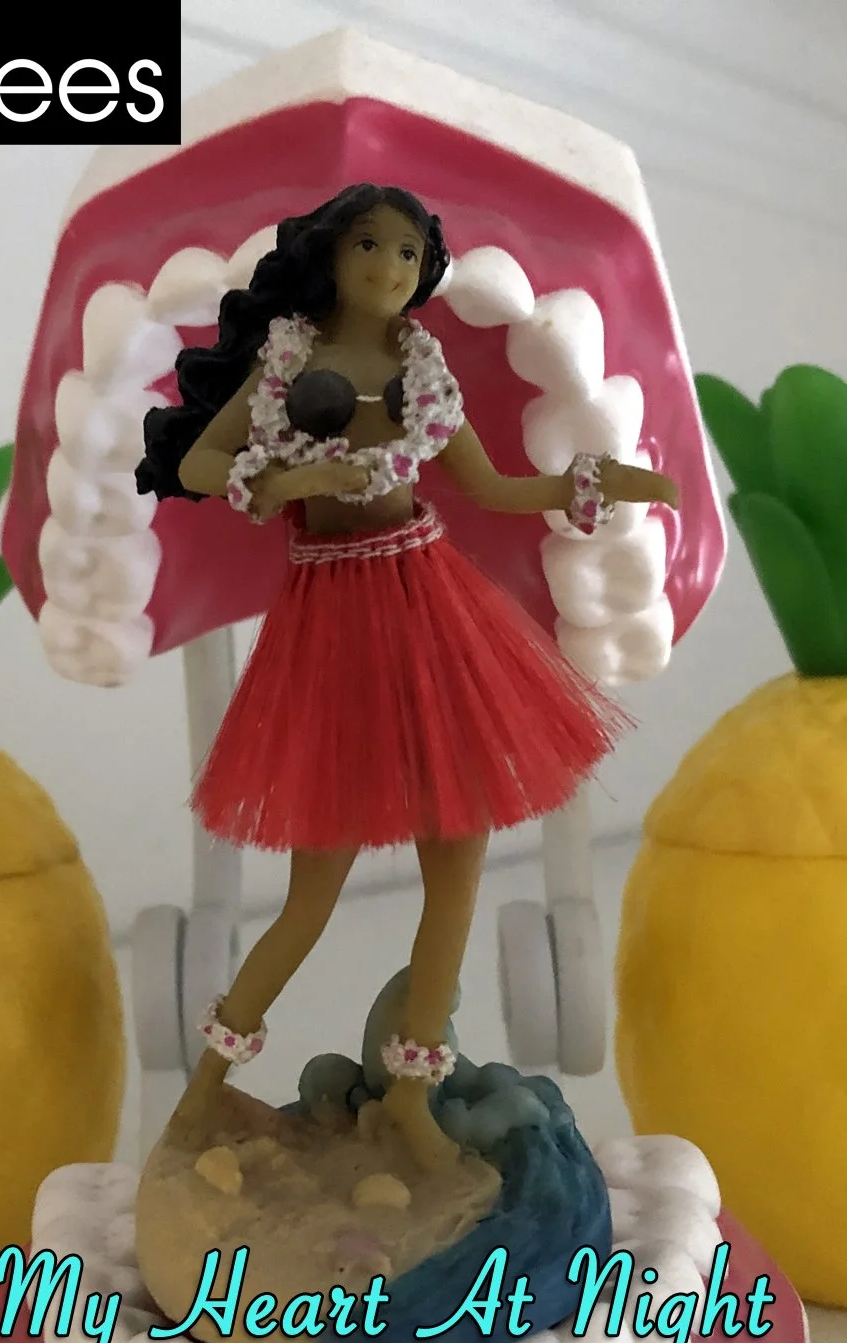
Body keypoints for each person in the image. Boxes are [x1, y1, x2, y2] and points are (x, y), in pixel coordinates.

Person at [135, 182, 678, 1170]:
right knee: (312, 892)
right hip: (331, 626)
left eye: (408, 254)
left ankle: (412, 1097)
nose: (389, 268)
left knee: (458, 866)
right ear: (333, 254)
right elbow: (203, 464)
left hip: (431, 612)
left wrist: (598, 484)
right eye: (370, 246)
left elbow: (494, 487)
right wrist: (293, 479)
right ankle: (203, 1092)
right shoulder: (288, 356)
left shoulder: (422, 368)